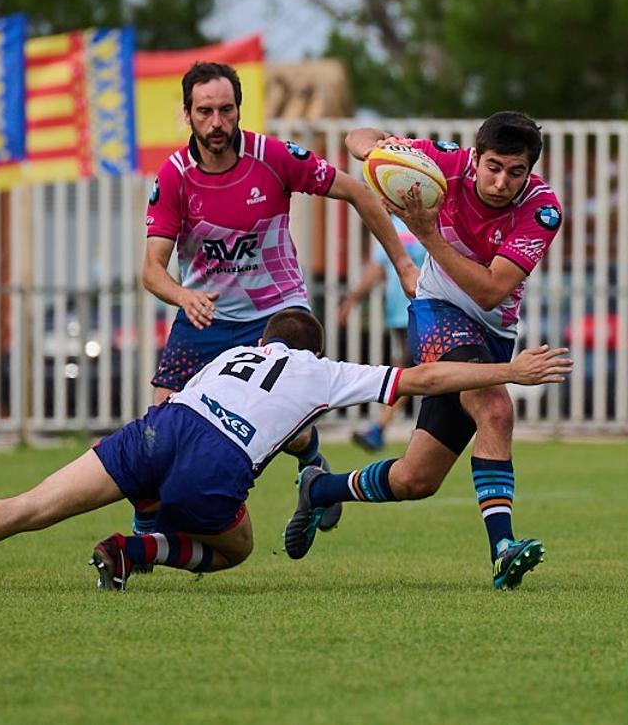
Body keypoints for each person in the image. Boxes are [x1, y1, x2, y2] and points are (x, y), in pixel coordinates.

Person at [0, 310, 572, 592]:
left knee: (32, 505)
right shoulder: (320, 372)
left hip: (160, 429)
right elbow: (426, 378)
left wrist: (306, 458)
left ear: (264, 341)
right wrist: (509, 369)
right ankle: (140, 549)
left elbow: (282, 428)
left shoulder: (231, 357)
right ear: (311, 349)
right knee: (237, 547)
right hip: (215, 462)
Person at [283, 112, 564, 591]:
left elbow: (490, 292)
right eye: (493, 167)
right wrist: (379, 153)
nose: (501, 182)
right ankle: (503, 549)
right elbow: (357, 137)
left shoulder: (541, 209)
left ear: (530, 171)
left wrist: (428, 234)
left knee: (416, 480)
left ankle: (321, 487)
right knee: (496, 408)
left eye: (515, 172)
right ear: (475, 157)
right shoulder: (444, 164)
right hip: (436, 312)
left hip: (491, 329)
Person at [136, 61, 419, 538]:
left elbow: (358, 191)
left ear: (239, 109)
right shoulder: (175, 177)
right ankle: (147, 535)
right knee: (155, 435)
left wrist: (404, 265)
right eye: (205, 111)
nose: (217, 122)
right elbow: (151, 270)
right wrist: (183, 295)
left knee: (281, 423)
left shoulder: (272, 156)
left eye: (226, 110)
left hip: (277, 315)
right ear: (187, 114)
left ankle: (310, 466)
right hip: (206, 316)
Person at [337, 215, 427, 452]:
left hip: (424, 311)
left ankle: (379, 427)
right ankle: (382, 429)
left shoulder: (429, 219)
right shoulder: (393, 225)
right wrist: (353, 299)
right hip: (398, 313)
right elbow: (377, 267)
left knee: (408, 369)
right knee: (410, 369)